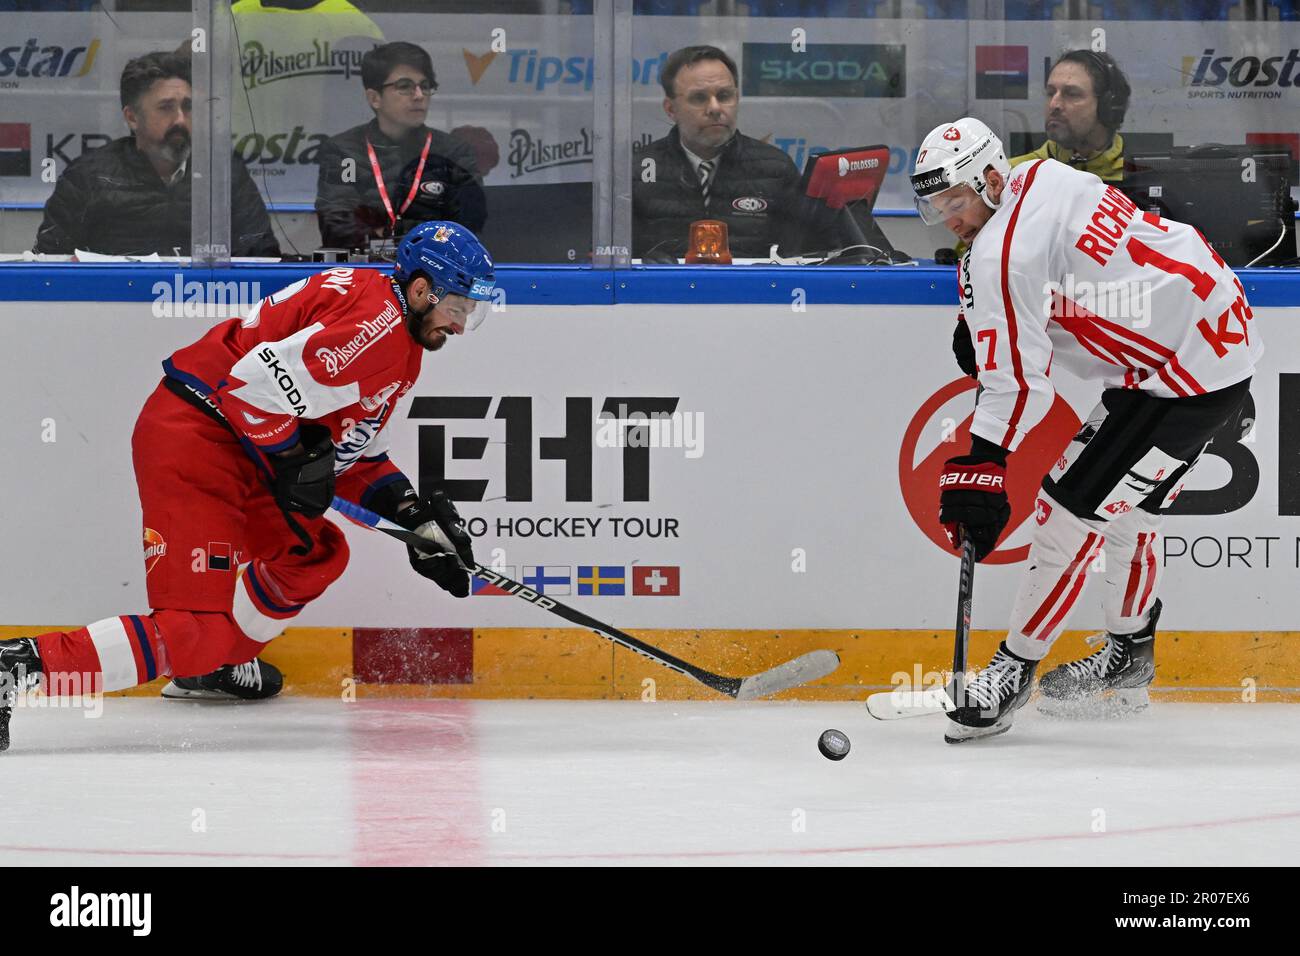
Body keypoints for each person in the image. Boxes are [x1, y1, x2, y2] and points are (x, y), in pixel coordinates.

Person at [0, 221, 495, 751]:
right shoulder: (376, 331)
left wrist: (414, 519)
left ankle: (211, 667)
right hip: (199, 439)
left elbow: (352, 456)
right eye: (458, 308)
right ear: (422, 290)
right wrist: (290, 457)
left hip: (241, 445)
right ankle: (18, 667)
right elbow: (250, 390)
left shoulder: (394, 327)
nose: (462, 326)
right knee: (193, 629)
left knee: (313, 552)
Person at [910, 117, 1260, 744]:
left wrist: (984, 463)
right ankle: (1130, 660)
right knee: (1128, 508)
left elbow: (1020, 383)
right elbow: (1082, 279)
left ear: (991, 179)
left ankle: (1011, 673)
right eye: (935, 205)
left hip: (1181, 380)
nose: (948, 217)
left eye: (955, 200)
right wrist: (987, 313)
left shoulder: (1001, 254)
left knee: (1067, 512)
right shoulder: (1044, 175)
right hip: (1210, 335)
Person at [33, 51, 280, 257]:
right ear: (132, 117)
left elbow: (263, 258)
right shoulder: (89, 176)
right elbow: (48, 264)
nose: (180, 119)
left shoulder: (223, 172)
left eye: (188, 106)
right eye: (166, 108)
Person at [632, 45, 841, 260]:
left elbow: (813, 255)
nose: (715, 108)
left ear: (737, 98)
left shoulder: (776, 169)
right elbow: (610, 259)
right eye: (699, 98)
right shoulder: (636, 172)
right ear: (670, 109)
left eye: (724, 96)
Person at [315, 42, 486, 252]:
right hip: (364, 274)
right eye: (405, 86)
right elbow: (337, 227)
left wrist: (387, 235)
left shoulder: (454, 153)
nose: (419, 95)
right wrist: (422, 232)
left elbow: (468, 227)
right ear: (374, 98)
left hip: (436, 272)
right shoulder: (344, 152)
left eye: (425, 86)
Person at [1009, 50, 1131, 184]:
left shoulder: (1137, 173)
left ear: (1106, 106)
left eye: (1071, 94)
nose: (1054, 104)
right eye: (1050, 93)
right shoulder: (1013, 176)